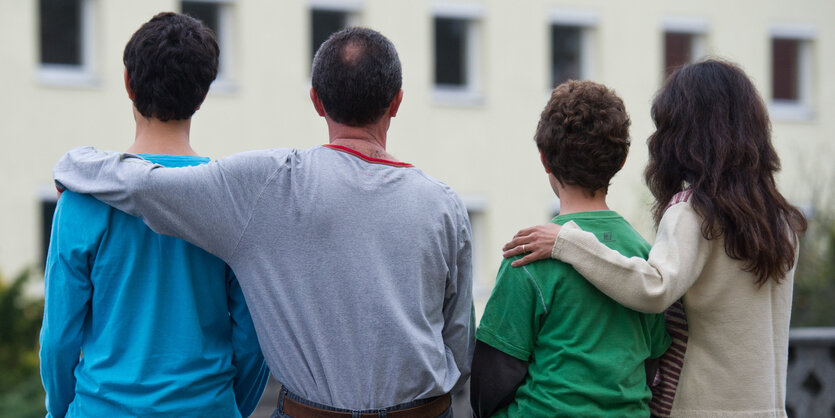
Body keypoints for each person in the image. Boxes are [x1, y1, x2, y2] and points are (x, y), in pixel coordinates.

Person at [53, 27, 474, 417]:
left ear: (316, 100)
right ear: (397, 101)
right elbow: (459, 343)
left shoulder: (265, 187)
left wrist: (75, 164)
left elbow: (145, 186)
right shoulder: (446, 205)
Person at [502, 59, 807, 417]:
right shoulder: (780, 220)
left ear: (685, 134)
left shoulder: (695, 211)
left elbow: (655, 289)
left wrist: (566, 242)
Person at [39, 12, 269, 418]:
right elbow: (255, 338)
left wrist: (61, 410)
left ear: (128, 83)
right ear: (203, 93)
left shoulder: (80, 201)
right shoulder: (234, 202)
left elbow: (58, 338)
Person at [470, 80, 670, 417]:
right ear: (621, 160)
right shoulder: (647, 258)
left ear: (544, 159)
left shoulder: (528, 256)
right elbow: (652, 365)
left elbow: (490, 383)